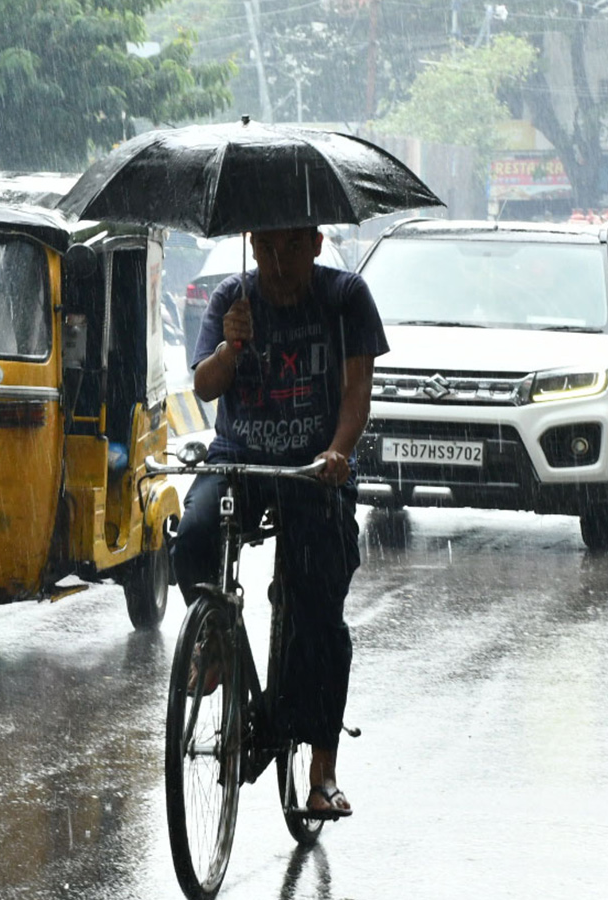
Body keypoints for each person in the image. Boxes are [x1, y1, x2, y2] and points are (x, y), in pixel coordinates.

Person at [170, 226, 389, 817]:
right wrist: (230, 348)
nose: (276, 261)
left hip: (317, 468)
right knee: (189, 541)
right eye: (265, 248)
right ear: (253, 244)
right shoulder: (230, 298)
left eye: (291, 247)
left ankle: (322, 771)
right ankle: (216, 647)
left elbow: (357, 392)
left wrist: (339, 451)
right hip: (238, 460)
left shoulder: (346, 298)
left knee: (318, 610)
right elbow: (204, 385)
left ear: (315, 244)